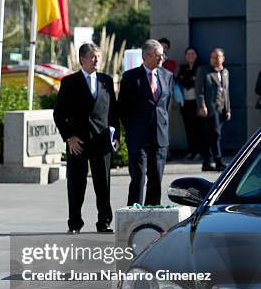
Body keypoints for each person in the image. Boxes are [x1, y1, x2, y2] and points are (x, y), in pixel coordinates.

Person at [53, 43, 120, 234]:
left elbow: (113, 113)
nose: (96, 60)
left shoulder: (106, 81)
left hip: (101, 142)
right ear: (82, 59)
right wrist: (69, 138)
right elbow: (59, 114)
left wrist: (116, 137)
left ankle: (104, 222)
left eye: (98, 56)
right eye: (92, 56)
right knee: (76, 185)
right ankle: (75, 223)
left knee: (103, 184)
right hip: (78, 143)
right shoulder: (69, 82)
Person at [119, 39, 173, 206]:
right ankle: (134, 215)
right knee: (139, 178)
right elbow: (122, 108)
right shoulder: (130, 77)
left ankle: (153, 215)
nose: (162, 57)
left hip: (160, 137)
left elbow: (165, 105)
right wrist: (132, 129)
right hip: (138, 137)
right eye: (159, 54)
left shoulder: (167, 75)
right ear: (147, 56)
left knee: (156, 179)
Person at [196, 48, 231, 171]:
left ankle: (207, 162)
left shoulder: (225, 72)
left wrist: (228, 110)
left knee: (213, 135)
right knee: (215, 134)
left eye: (217, 57)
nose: (214, 60)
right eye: (212, 57)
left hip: (221, 109)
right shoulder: (204, 71)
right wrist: (202, 106)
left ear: (223, 59)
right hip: (210, 109)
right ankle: (218, 161)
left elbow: (226, 93)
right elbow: (199, 91)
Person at [175, 47, 202, 160]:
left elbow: (197, 82)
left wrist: (188, 80)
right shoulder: (183, 68)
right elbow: (180, 81)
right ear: (185, 56)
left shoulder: (200, 68)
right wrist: (191, 79)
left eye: (193, 53)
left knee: (198, 128)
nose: (190, 56)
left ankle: (199, 151)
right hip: (185, 102)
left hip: (197, 102)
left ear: (196, 55)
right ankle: (191, 151)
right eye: (188, 54)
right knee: (188, 128)